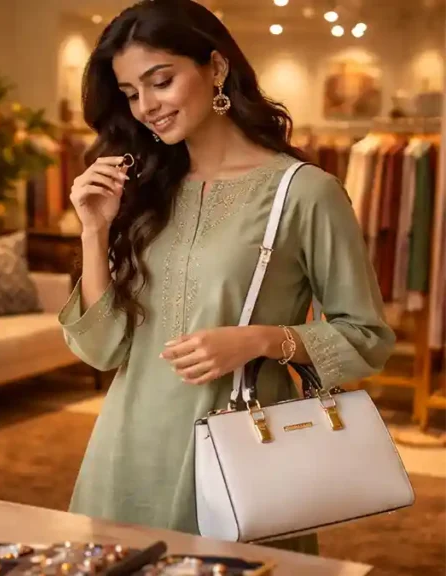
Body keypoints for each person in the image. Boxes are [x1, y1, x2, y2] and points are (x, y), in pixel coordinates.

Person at [59, 0, 395, 554]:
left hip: (241, 453)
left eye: (160, 81)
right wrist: (94, 232)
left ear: (216, 68)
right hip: (124, 452)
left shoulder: (305, 192)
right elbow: (102, 350)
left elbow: (367, 337)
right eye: (130, 94)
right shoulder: (142, 192)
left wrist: (263, 339)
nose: (146, 107)